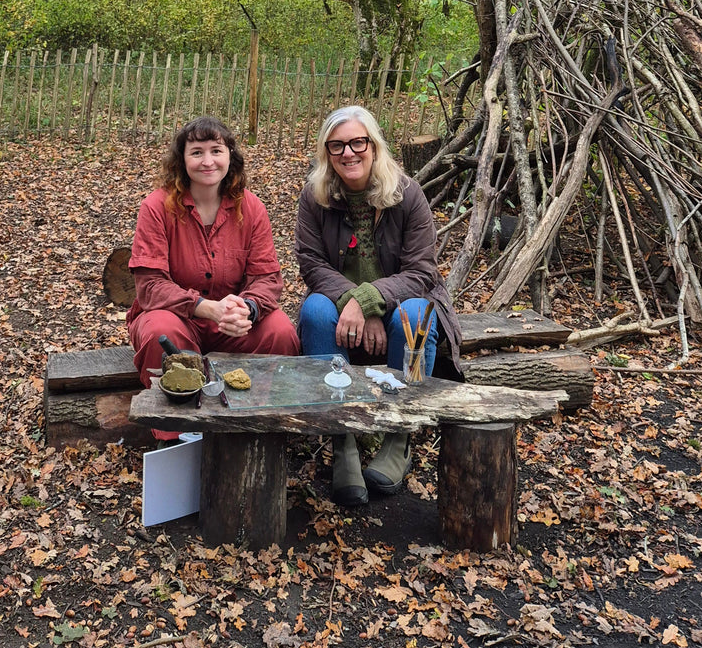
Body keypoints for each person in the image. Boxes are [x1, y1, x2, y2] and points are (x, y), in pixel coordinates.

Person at [296, 105, 462, 506]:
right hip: (340, 316)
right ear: (326, 152)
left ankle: (399, 438)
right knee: (315, 311)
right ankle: (342, 440)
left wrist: (370, 302)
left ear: (373, 145)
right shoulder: (315, 196)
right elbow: (312, 263)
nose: (348, 153)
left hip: (399, 310)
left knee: (416, 314)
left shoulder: (407, 194)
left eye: (357, 142)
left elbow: (421, 272)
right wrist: (354, 303)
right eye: (337, 146)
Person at [127, 116, 300, 438]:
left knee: (281, 331)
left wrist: (246, 308)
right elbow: (149, 287)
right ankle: (177, 437)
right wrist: (207, 307)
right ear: (182, 159)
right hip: (178, 317)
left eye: (216, 150)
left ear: (230, 156)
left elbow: (267, 277)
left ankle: (256, 425)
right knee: (159, 330)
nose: (208, 161)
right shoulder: (156, 207)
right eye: (196, 152)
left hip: (232, 322)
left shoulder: (252, 208)